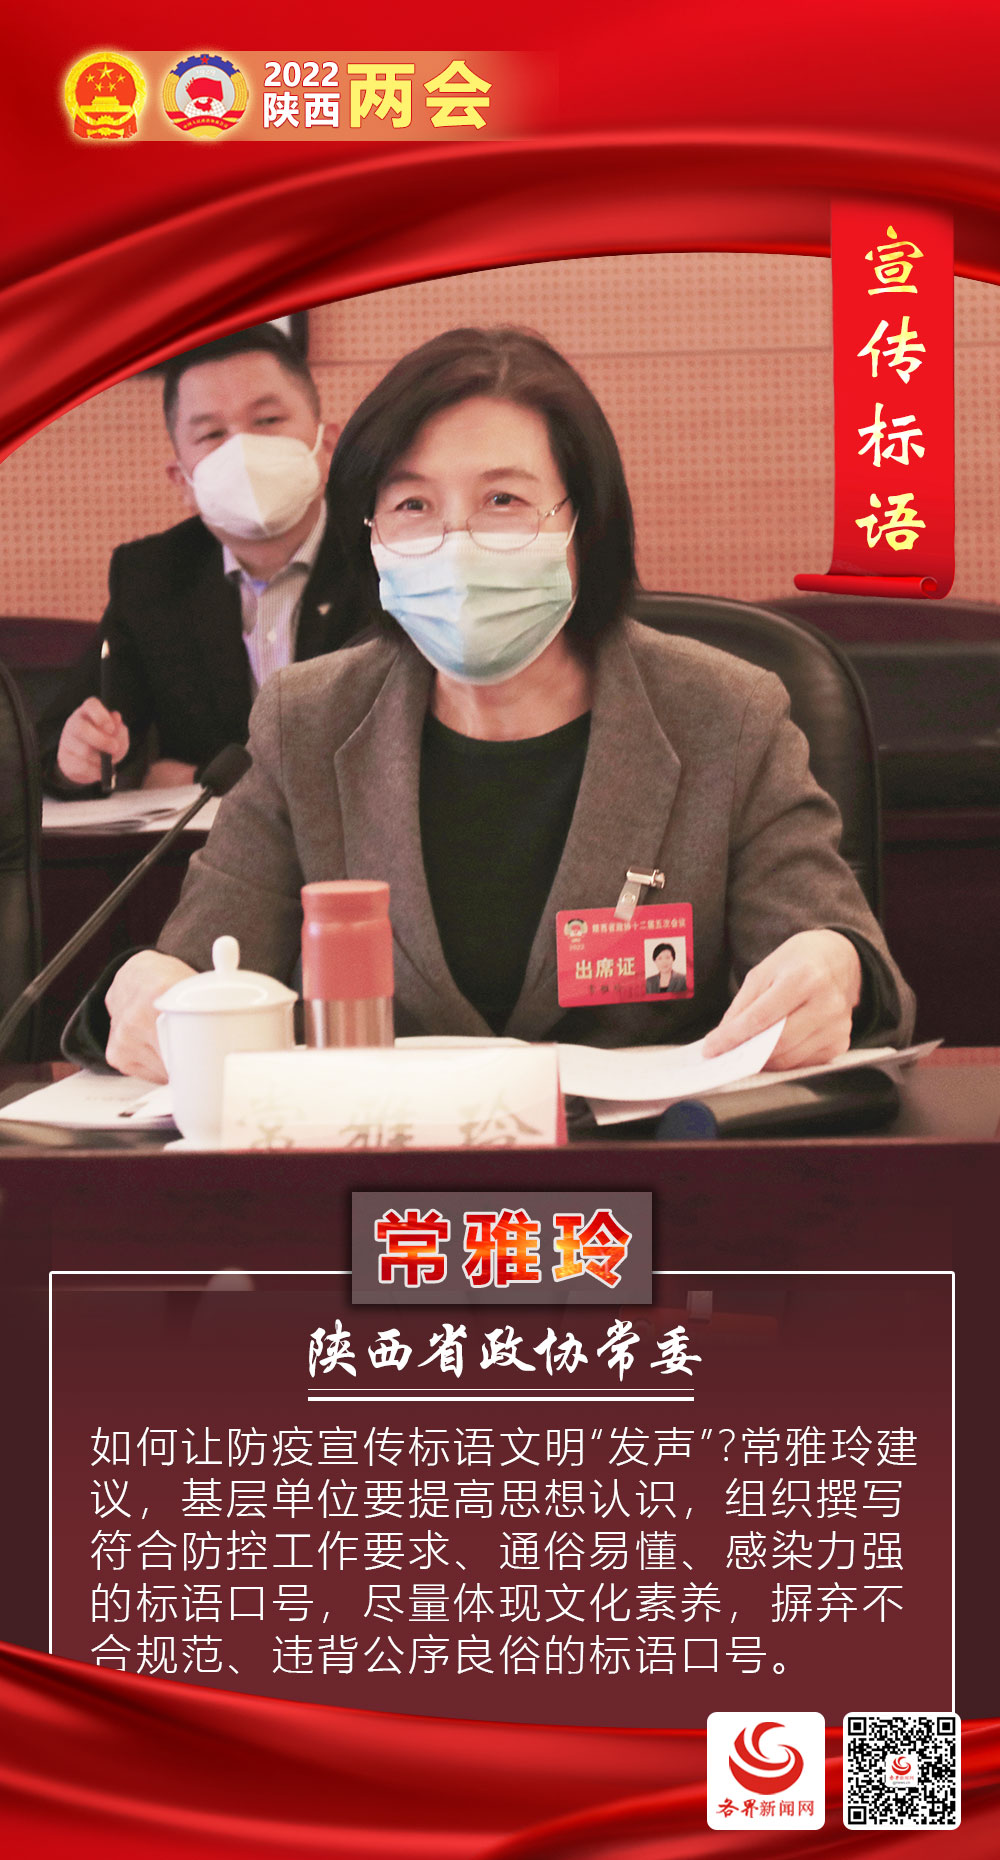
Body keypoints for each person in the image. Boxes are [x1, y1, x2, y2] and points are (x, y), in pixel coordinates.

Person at [98, 325, 915, 1083]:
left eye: (502, 501)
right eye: (413, 505)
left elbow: (840, 956)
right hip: (383, 1169)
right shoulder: (307, 720)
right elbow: (203, 971)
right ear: (369, 534)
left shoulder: (724, 716)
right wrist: (148, 991)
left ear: (582, 523)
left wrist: (835, 969)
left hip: (643, 1169)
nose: (456, 547)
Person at [36, 325, 362, 794]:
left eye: (268, 420)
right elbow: (56, 749)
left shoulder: (386, 556)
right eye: (211, 433)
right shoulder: (152, 577)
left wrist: (195, 777)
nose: (242, 451)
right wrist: (76, 759)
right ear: (182, 481)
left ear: (326, 447)